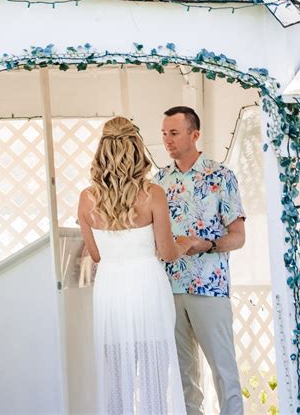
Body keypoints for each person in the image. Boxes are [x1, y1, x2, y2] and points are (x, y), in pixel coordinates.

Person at [78, 116, 197, 414]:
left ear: (102, 150)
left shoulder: (86, 199)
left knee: (117, 380)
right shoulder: (152, 194)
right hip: (147, 288)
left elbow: (95, 255)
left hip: (111, 291)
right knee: (155, 376)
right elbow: (168, 253)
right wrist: (186, 243)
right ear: (136, 149)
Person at [156, 106, 246, 415]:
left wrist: (206, 244)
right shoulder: (158, 181)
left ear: (195, 135)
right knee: (183, 377)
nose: (167, 140)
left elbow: (238, 236)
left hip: (209, 288)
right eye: (164, 133)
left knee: (224, 372)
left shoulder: (221, 176)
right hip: (169, 289)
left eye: (174, 133)